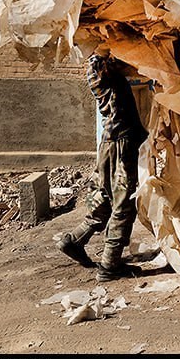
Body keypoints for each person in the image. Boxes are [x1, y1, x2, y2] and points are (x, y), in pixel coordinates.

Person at [56, 50, 149, 282]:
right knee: (124, 202)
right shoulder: (103, 67)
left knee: (106, 197)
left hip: (110, 142)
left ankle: (74, 240)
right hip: (121, 143)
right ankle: (110, 265)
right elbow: (135, 66)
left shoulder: (96, 67)